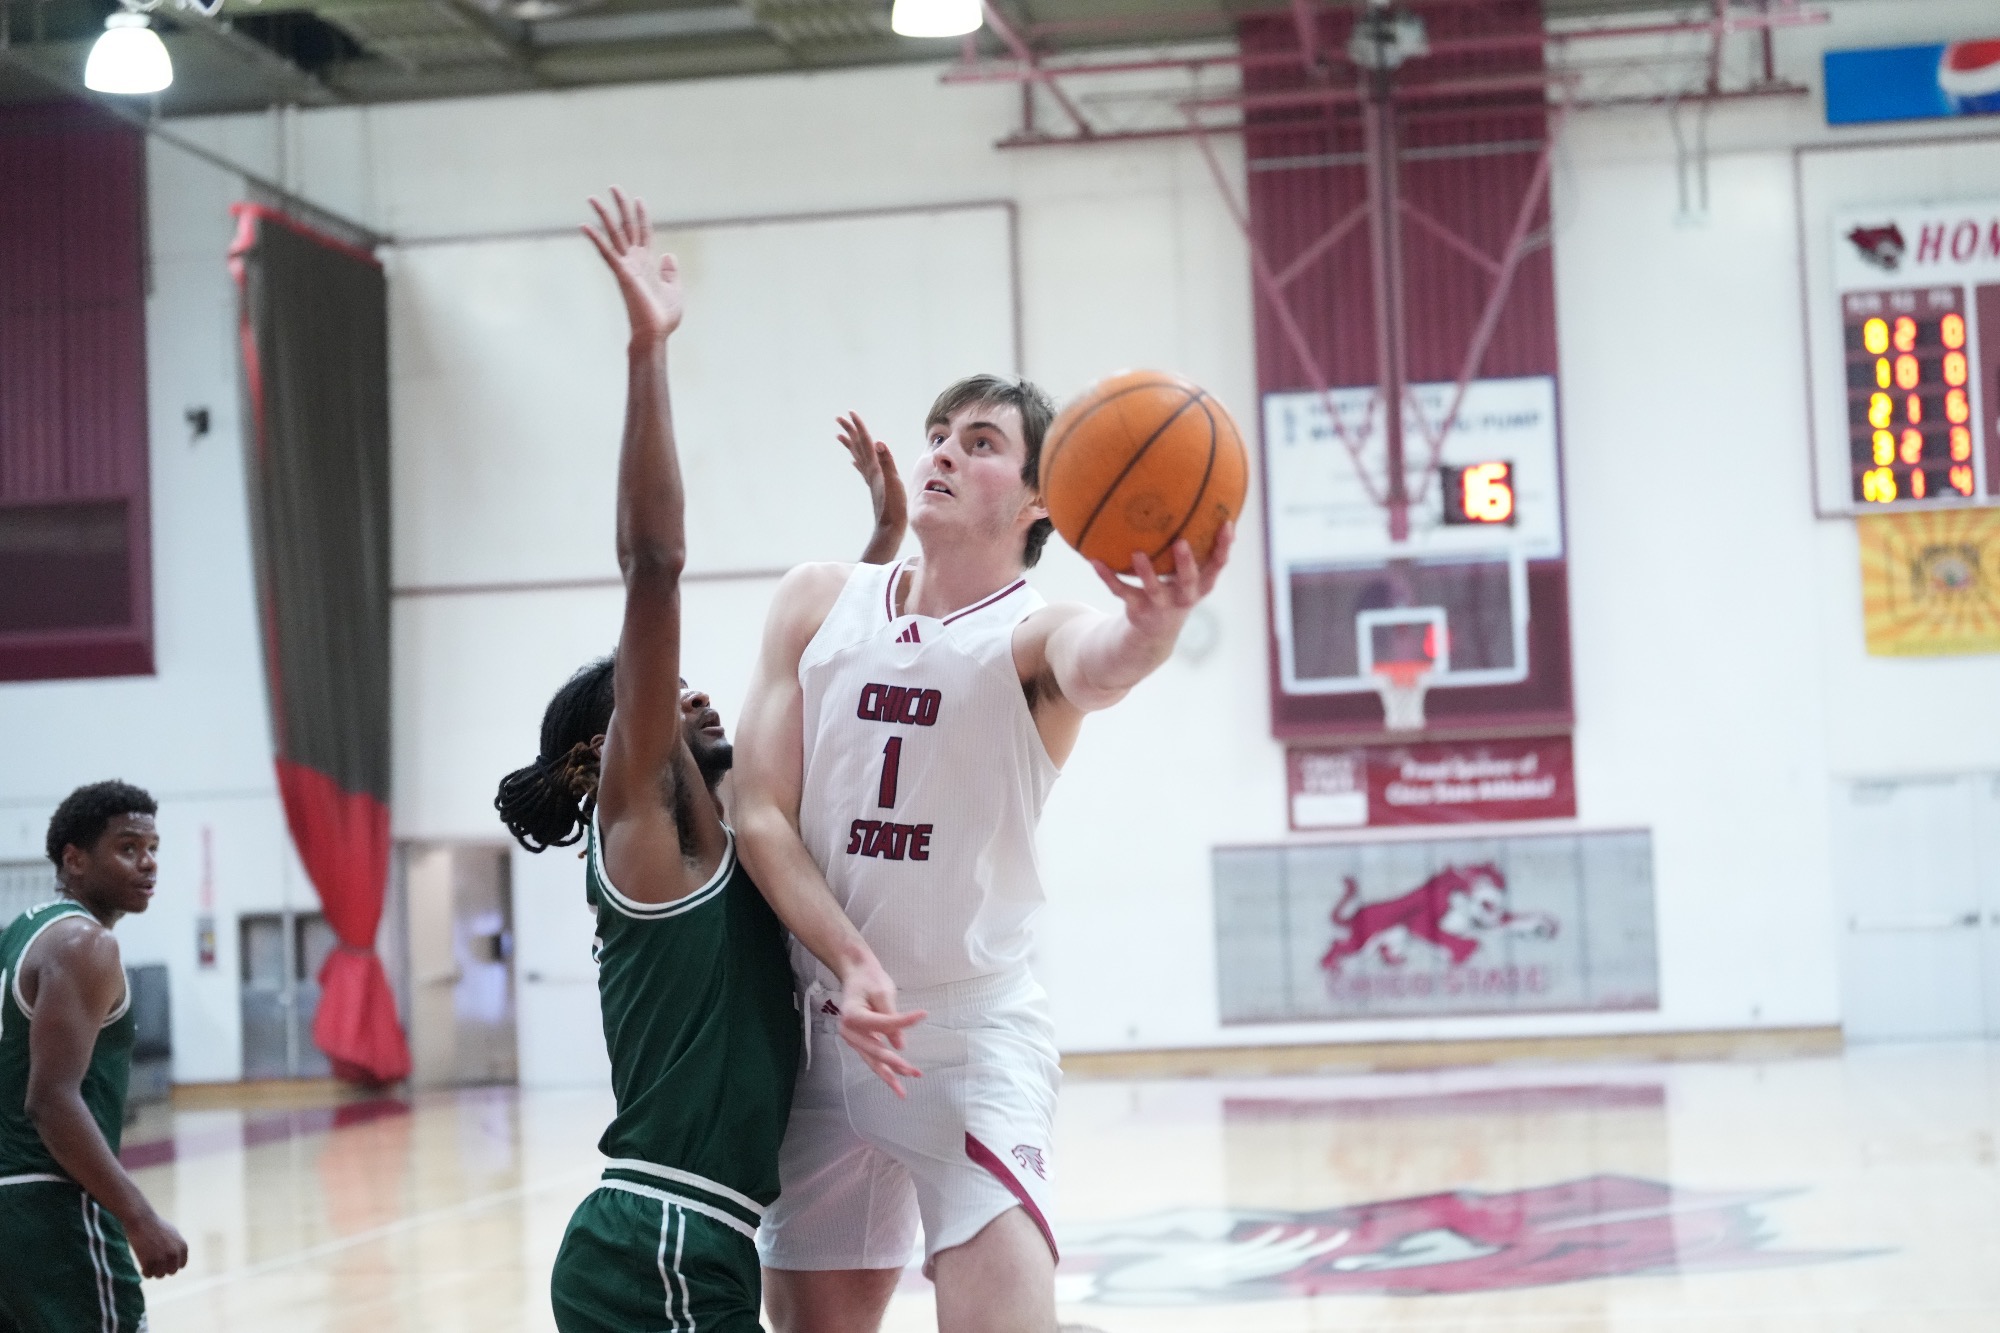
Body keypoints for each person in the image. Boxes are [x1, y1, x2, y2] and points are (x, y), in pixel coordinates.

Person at [492, 188, 910, 1333]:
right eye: (665, 693)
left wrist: (880, 543)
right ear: (609, 749)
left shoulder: (726, 845)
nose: (697, 691)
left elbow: (823, 678)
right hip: (661, 1240)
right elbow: (654, 565)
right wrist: (648, 351)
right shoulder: (638, 834)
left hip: (690, 1239)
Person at [735, 376, 1233, 1332]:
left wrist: (1153, 626)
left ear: (1043, 496)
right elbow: (757, 810)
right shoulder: (815, 601)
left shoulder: (1031, 636)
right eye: (938, 434)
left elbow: (1102, 660)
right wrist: (851, 960)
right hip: (826, 1032)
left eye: (980, 442)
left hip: (969, 1044)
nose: (944, 452)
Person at [0, 780, 188, 1333]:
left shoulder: (19, 934)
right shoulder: (86, 945)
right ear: (75, 859)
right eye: (128, 848)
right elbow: (51, 1101)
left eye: (152, 849)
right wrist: (139, 1217)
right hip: (52, 1207)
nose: (147, 863)